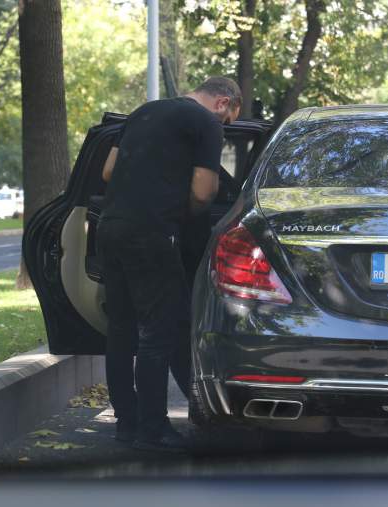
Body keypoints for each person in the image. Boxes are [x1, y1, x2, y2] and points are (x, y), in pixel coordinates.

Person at [96, 77, 241, 452]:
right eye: (227, 122)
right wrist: (184, 219)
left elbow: (108, 172)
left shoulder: (143, 111)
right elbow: (204, 191)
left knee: (121, 329)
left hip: (110, 227)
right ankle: (154, 428)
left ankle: (126, 423)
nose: (222, 128)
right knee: (158, 332)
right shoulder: (206, 122)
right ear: (223, 103)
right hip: (153, 233)